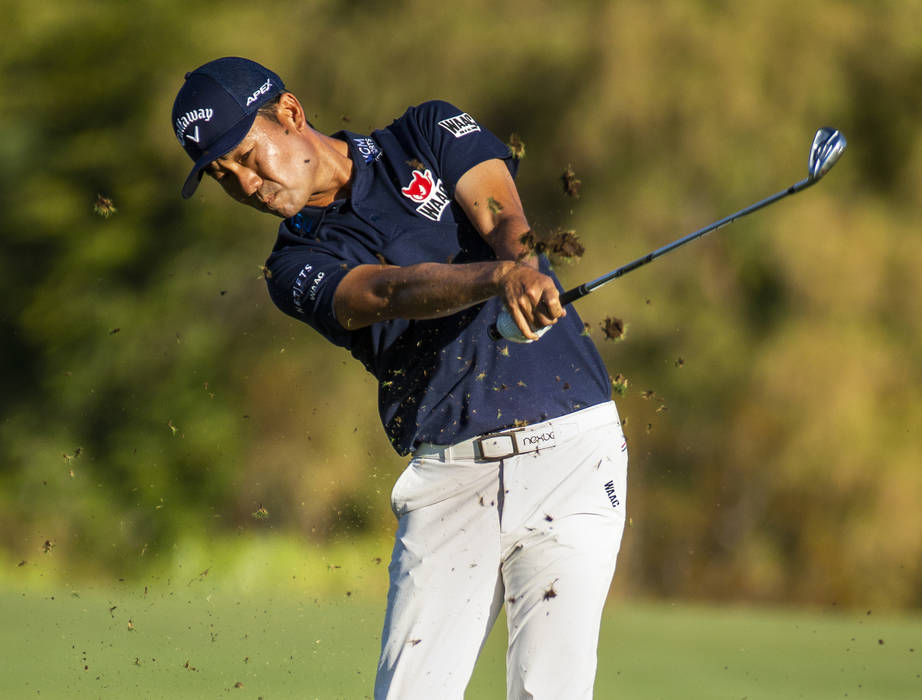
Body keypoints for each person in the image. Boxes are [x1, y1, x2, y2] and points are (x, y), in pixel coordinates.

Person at [171, 56, 628, 700]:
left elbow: (501, 217)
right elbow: (383, 293)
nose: (247, 184)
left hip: (574, 451)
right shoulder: (292, 266)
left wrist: (520, 264)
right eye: (225, 176)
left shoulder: (425, 132)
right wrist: (500, 280)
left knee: (550, 689)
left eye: (248, 155)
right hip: (452, 478)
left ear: (292, 114)